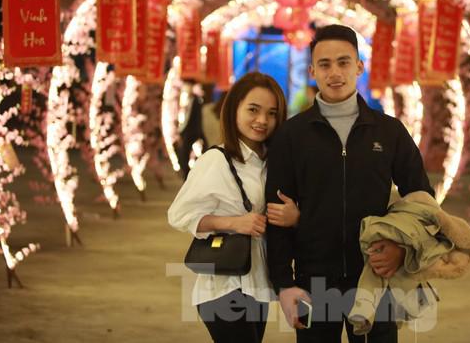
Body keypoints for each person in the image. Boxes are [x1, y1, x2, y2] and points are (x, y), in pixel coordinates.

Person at [265, 24, 434, 342]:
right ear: (312, 71)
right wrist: (284, 284)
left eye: (343, 62)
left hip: (375, 275)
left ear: (359, 66)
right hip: (314, 279)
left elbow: (421, 198)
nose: (334, 73)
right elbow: (276, 214)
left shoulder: (389, 131)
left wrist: (401, 248)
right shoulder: (292, 135)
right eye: (324, 64)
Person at [168, 72, 301, 343]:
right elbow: (179, 215)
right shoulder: (217, 160)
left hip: (258, 283)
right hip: (224, 286)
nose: (262, 120)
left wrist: (294, 216)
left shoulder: (272, 162)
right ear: (234, 109)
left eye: (272, 113)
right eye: (253, 110)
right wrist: (233, 223)